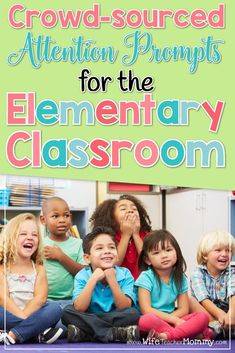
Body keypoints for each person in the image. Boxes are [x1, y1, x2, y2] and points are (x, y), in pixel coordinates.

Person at [62, 226, 140, 343]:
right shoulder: (82, 276)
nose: (107, 251)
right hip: (89, 315)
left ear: (117, 255)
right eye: (99, 248)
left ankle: (86, 333)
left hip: (112, 316)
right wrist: (93, 279)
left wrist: (112, 280)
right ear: (87, 258)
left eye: (112, 247)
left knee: (133, 314)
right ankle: (114, 333)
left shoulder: (125, 274)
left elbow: (124, 306)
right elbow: (79, 307)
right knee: (67, 312)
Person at [135, 229, 211, 342]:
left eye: (168, 250)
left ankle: (168, 336)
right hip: (155, 320)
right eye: (156, 253)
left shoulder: (180, 277)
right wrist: (174, 321)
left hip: (174, 317)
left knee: (203, 317)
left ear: (177, 252)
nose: (164, 255)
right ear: (147, 260)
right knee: (145, 320)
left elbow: (184, 309)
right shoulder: (146, 277)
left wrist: (174, 319)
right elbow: (146, 310)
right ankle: (190, 335)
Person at [0, 213, 62, 345]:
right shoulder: (2, 268)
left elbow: (40, 299)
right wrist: (25, 319)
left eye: (34, 235)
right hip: (8, 315)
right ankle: (37, 333)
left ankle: (12, 334)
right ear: (10, 238)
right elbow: (3, 299)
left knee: (55, 308)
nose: (30, 238)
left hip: (34, 315)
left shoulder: (39, 269)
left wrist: (27, 317)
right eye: (23, 234)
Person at [40, 197, 86, 335]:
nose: (62, 220)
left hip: (70, 302)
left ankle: (50, 331)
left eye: (66, 215)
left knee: (65, 325)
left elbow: (84, 272)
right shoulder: (39, 244)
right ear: (43, 220)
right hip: (44, 301)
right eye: (55, 216)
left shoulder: (78, 244)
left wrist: (61, 257)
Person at [90, 194, 151, 279]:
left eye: (134, 209)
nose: (130, 211)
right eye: (123, 209)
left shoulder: (146, 235)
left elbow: (149, 260)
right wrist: (126, 235)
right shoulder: (108, 237)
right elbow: (114, 263)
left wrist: (136, 234)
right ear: (112, 217)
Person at [190, 231, 235, 338]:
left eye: (228, 250)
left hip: (229, 315)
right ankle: (218, 328)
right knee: (189, 300)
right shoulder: (197, 273)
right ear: (205, 255)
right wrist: (222, 316)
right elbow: (203, 300)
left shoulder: (232, 272)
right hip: (209, 315)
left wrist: (231, 315)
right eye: (218, 250)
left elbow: (233, 294)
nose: (224, 254)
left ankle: (222, 329)